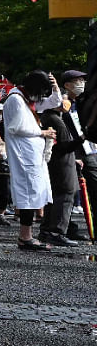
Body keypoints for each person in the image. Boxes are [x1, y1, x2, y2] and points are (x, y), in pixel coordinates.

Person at [3, 70, 61, 252]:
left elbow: (55, 102)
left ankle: (27, 235)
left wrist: (55, 86)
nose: (42, 96)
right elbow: (17, 127)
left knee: (35, 192)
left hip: (32, 155)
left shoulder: (26, 99)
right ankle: (25, 237)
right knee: (28, 194)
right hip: (23, 156)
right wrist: (42, 132)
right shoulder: (16, 99)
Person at [41, 82, 83, 246]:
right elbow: (64, 146)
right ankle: (57, 231)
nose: (66, 101)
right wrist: (82, 138)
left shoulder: (50, 116)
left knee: (55, 197)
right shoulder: (55, 119)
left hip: (57, 162)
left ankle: (47, 230)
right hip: (61, 164)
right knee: (65, 195)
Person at [62, 69, 97, 240]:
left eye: (83, 80)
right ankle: (69, 228)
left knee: (94, 188)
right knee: (70, 191)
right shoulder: (61, 104)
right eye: (77, 81)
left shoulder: (85, 102)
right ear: (67, 85)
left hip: (89, 151)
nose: (81, 83)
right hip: (72, 151)